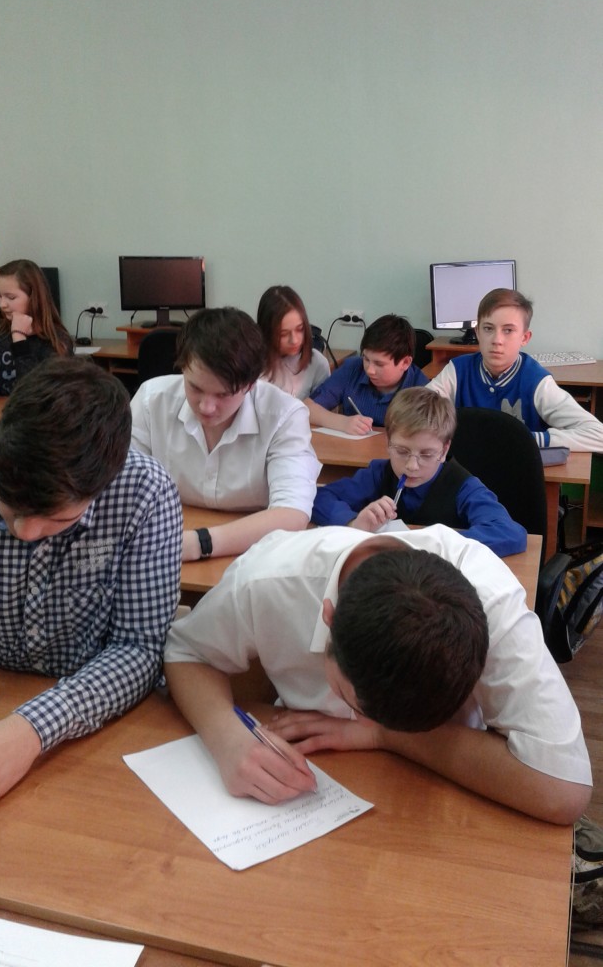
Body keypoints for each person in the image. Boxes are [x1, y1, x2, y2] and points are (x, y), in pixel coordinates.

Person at [164, 524, 591, 823]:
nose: (363, 721)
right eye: (356, 705)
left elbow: (563, 790)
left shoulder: (490, 606)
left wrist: (384, 737)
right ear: (328, 617)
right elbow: (186, 651)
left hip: (426, 802)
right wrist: (227, 739)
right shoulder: (269, 579)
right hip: (316, 785)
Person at [0, 358, 182, 804]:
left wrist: (31, 729)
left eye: (55, 519)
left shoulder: (145, 493)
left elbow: (139, 648)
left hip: (92, 722)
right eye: (9, 508)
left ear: (102, 486)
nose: (25, 532)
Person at [130, 306, 320, 562]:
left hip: (250, 554)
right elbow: (122, 488)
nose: (206, 407)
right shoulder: (151, 401)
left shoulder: (284, 415)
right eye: (195, 388)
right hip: (164, 542)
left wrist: (199, 543)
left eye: (223, 394)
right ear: (183, 367)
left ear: (250, 385)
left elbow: (292, 514)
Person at [311, 387, 526, 557]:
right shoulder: (379, 473)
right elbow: (318, 498)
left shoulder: (462, 486)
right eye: (402, 451)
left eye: (427, 454)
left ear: (444, 450)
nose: (412, 466)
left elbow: (510, 533)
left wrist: (434, 543)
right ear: (388, 442)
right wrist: (353, 523)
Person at [426, 288, 603, 452]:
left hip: (517, 471)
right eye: (488, 328)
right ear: (477, 332)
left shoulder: (536, 381)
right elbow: (417, 414)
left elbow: (598, 435)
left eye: (508, 330)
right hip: (468, 469)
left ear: (525, 338)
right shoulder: (457, 371)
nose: (497, 340)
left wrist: (528, 439)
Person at [305, 314, 429, 435]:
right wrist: (343, 422)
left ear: (405, 362)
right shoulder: (352, 368)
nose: (369, 370)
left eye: (379, 364)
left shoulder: (422, 389)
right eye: (366, 359)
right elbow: (307, 408)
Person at [0, 259, 73, 403]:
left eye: (11, 297)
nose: (2, 304)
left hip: (35, 415)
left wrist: (19, 338)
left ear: (34, 297)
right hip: (1, 414)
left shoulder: (57, 341)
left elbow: (33, 393)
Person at [257, 284, 330, 400]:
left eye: (300, 329)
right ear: (267, 332)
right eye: (283, 334)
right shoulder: (253, 366)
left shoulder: (317, 363)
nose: (294, 340)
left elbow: (322, 408)